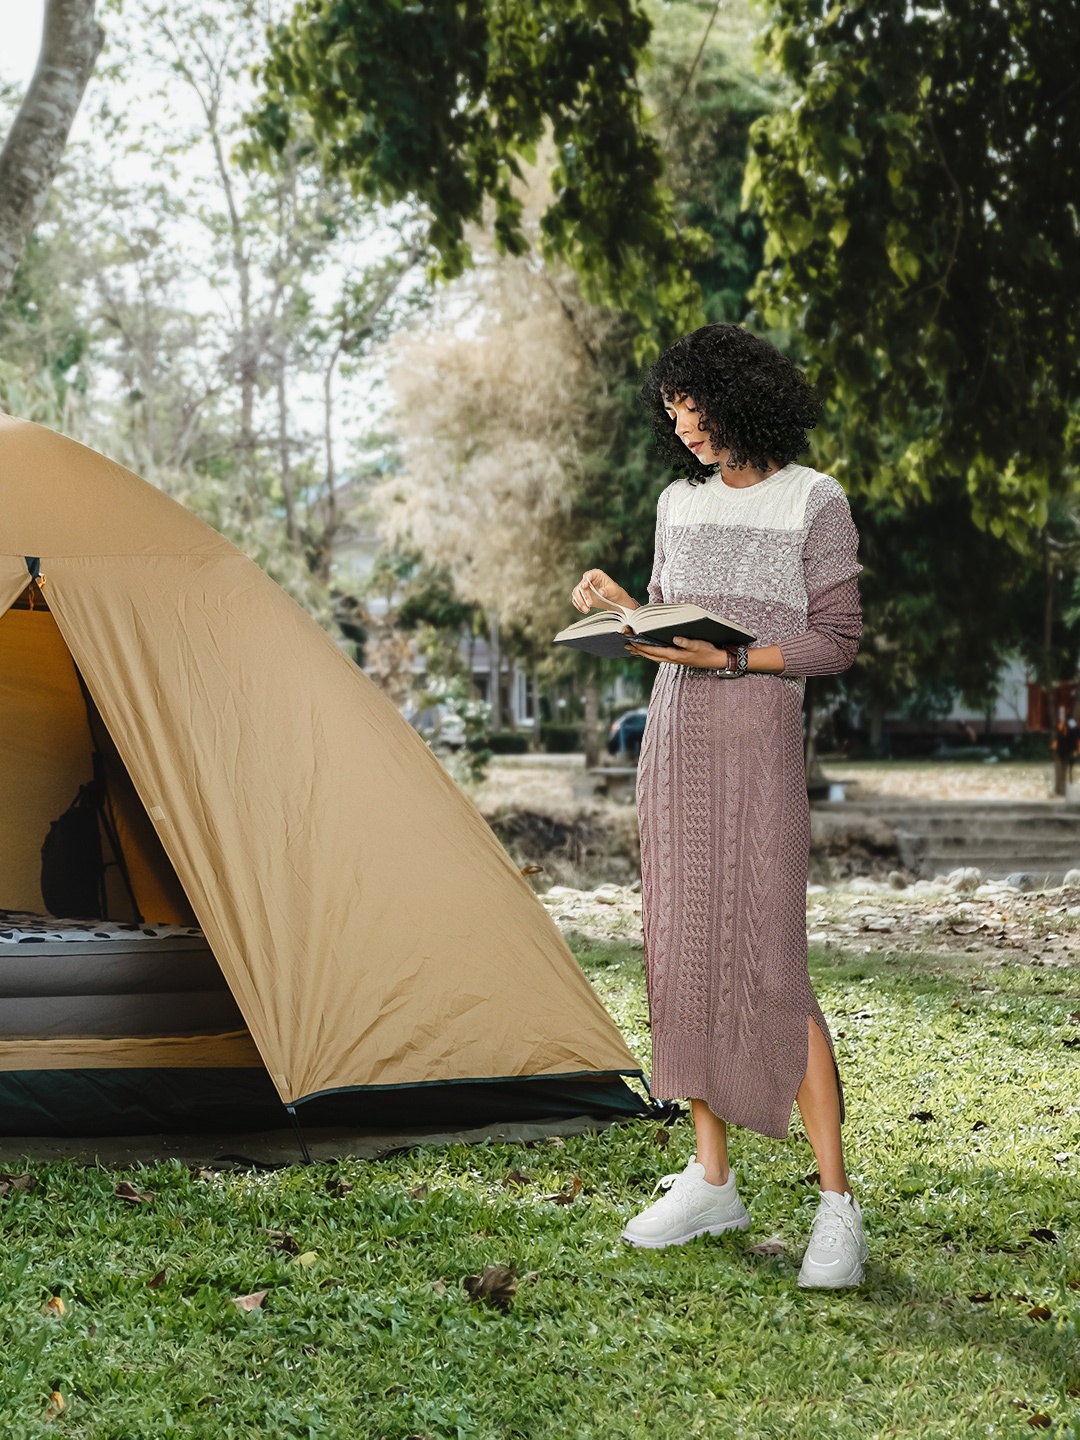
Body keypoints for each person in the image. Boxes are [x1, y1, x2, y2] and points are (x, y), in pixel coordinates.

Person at [571, 324, 865, 1288]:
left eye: (696, 408)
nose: (686, 428)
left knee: (772, 963)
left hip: (760, 739)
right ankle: (711, 1177)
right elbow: (668, 629)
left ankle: (837, 1207)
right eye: (674, 414)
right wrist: (625, 608)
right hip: (678, 736)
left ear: (741, 396)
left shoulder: (814, 500)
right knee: (682, 952)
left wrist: (737, 656)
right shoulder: (676, 503)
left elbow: (835, 641)